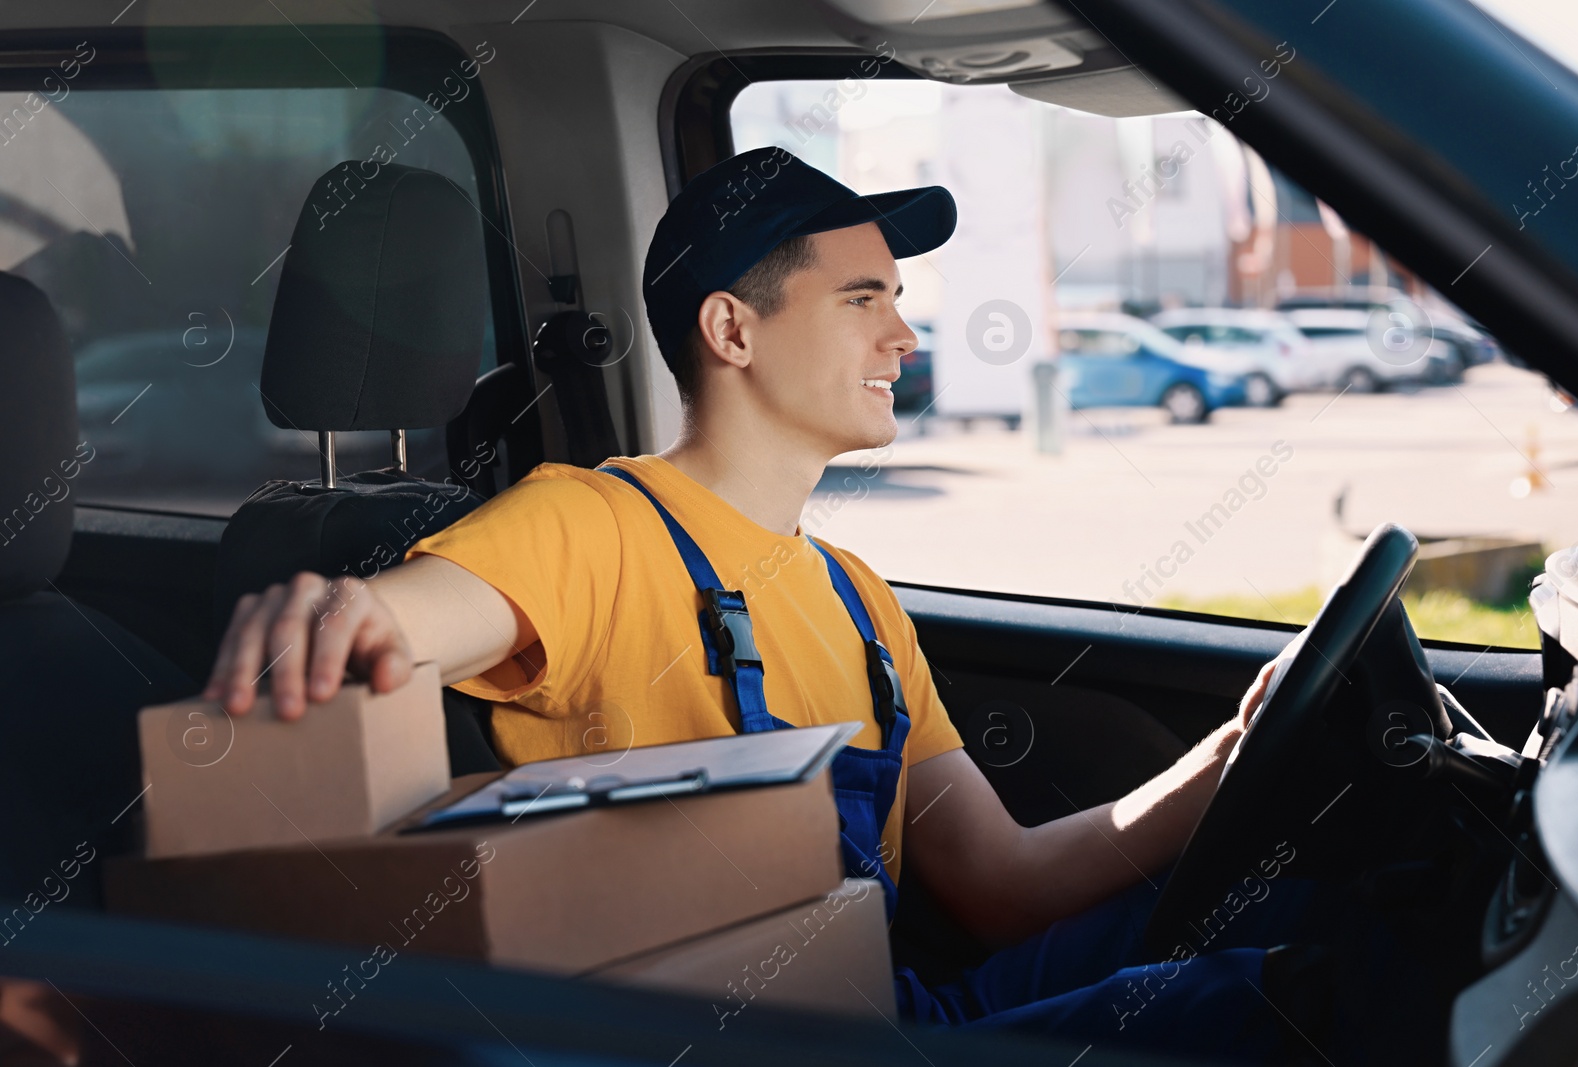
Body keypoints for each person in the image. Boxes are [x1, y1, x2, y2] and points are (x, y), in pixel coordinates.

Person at [203, 146, 1304, 1059]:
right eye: (862, 299)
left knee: (1300, 914)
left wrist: (1236, 752)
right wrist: (340, 614)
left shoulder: (857, 598)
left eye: (898, 302)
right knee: (1261, 1001)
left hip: (891, 1005)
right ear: (732, 330)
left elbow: (1002, 888)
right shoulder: (591, 523)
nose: (904, 338)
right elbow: (405, 623)